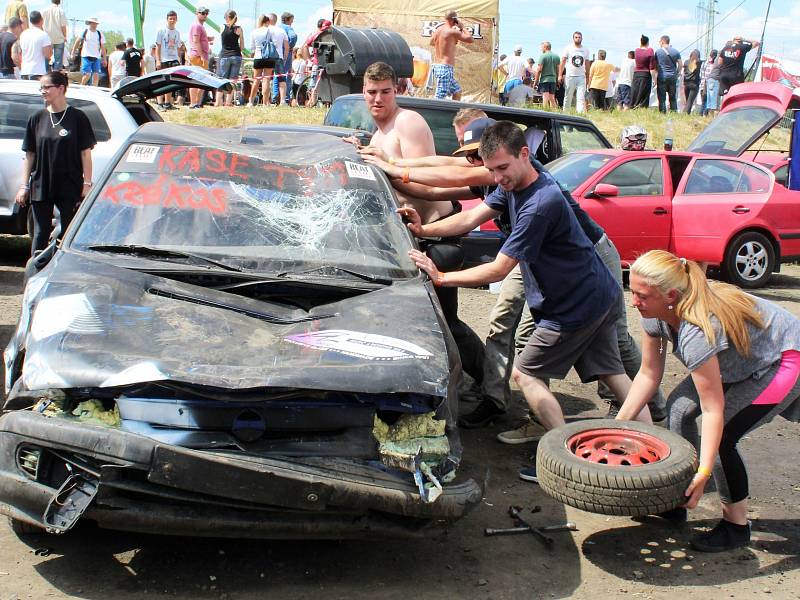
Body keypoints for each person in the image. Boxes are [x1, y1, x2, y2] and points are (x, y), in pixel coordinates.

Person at [361, 113, 666, 433]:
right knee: (606, 369)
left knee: (529, 371)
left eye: (493, 165)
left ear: (523, 154)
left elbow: (498, 267)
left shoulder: (536, 201)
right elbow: (468, 215)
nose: (485, 170)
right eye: (482, 164)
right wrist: (424, 226)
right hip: (578, 281)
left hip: (578, 287)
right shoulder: (510, 181)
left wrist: (441, 277)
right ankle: (648, 437)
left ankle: (558, 449)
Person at [617, 250, 800, 552]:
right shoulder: (655, 314)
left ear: (671, 295)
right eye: (632, 292)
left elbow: (713, 408)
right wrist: (619, 424)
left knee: (722, 438)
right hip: (735, 358)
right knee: (678, 409)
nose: (634, 302)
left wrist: (703, 471)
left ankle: (735, 525)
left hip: (782, 359)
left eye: (642, 296)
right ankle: (677, 498)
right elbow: (649, 374)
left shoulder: (696, 331)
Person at [354, 61, 486, 389]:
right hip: (414, 238)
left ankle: (488, 386)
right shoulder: (378, 133)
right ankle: (452, 383)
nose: (378, 99)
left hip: (437, 236)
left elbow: (429, 187)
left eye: (386, 91)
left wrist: (387, 168)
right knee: (423, 320)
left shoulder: (407, 122)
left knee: (445, 321)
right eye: (372, 92)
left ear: (397, 90)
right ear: (363, 93)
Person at [15, 70, 96, 255]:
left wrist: (86, 183)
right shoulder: (37, 118)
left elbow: (86, 153)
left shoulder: (78, 117)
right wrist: (24, 186)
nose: (42, 91)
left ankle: (64, 273)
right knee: (41, 233)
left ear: (60, 88)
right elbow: (30, 155)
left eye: (46, 87)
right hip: (41, 184)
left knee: (68, 233)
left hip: (69, 184)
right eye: (41, 88)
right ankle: (36, 271)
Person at [430, 9, 473, 100]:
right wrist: (463, 27)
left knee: (457, 91)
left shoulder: (438, 30)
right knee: (439, 97)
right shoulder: (452, 32)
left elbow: (431, 43)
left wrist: (448, 43)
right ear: (454, 20)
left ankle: (454, 114)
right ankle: (433, 114)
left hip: (438, 66)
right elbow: (470, 39)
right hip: (445, 68)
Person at [300, 18, 331, 107]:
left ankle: (323, 103)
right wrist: (309, 60)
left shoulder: (331, 34)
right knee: (313, 83)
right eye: (326, 28)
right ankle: (312, 103)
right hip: (317, 64)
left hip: (328, 63)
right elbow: (305, 46)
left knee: (322, 83)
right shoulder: (316, 35)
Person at [215, 9, 243, 107]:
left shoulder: (222, 27)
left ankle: (218, 102)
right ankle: (228, 103)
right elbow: (242, 47)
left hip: (224, 56)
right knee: (232, 81)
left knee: (221, 80)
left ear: (226, 17)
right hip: (236, 56)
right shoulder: (239, 29)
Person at [155, 11, 181, 108]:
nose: (172, 20)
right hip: (163, 59)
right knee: (161, 82)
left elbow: (178, 47)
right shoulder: (161, 31)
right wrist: (158, 60)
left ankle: (167, 103)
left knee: (170, 82)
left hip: (173, 59)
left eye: (174, 18)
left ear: (176, 20)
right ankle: (159, 103)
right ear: (167, 19)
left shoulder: (177, 33)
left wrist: (179, 60)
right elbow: (158, 46)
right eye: (170, 18)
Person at [559, 31, 590, 113]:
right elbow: (562, 62)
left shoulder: (585, 49)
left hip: (581, 77)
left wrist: (587, 76)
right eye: (576, 37)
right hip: (570, 76)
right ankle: (565, 114)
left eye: (579, 37)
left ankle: (579, 115)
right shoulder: (568, 48)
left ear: (582, 38)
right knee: (568, 96)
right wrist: (559, 75)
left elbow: (587, 64)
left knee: (580, 97)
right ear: (573, 38)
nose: (578, 39)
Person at [187, 6, 210, 108]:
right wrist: (202, 56)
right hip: (197, 56)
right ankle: (194, 103)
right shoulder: (197, 26)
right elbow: (196, 41)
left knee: (201, 80)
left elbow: (198, 40)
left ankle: (197, 103)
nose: (205, 15)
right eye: (203, 13)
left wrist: (207, 39)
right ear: (197, 13)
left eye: (206, 13)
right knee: (196, 80)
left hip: (200, 55)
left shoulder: (199, 26)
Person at [272, 12, 297, 105]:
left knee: (276, 75)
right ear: (287, 20)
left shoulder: (277, 27)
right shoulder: (288, 28)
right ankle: (285, 98)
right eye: (291, 20)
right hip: (286, 53)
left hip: (276, 54)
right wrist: (291, 46)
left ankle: (275, 97)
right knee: (286, 75)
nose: (292, 22)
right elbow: (293, 36)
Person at [18, 10, 50, 80]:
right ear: (41, 20)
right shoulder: (44, 35)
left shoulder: (23, 34)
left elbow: (20, 52)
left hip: (24, 70)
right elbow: (47, 55)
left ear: (30, 21)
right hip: (38, 71)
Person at [73, 17, 104, 86]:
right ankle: (81, 86)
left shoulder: (99, 33)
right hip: (86, 55)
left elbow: (102, 46)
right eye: (93, 23)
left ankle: (94, 90)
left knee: (96, 75)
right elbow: (77, 41)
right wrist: (73, 52)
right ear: (89, 23)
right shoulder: (85, 31)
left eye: (95, 23)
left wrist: (104, 58)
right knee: (87, 74)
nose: (94, 24)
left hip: (96, 56)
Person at [266, 13, 290, 105]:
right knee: (282, 79)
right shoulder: (281, 31)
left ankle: (266, 101)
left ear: (269, 20)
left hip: (267, 57)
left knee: (266, 79)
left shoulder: (266, 30)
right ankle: (283, 101)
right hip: (278, 57)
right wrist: (284, 58)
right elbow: (287, 47)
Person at [655, 35, 681, 113]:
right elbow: (680, 64)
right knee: (672, 96)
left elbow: (655, 65)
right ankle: (673, 112)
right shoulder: (676, 51)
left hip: (662, 76)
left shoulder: (658, 52)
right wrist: (676, 72)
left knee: (662, 97)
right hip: (672, 77)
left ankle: (662, 112)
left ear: (662, 41)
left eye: (660, 41)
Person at [632, 35, 656, 109]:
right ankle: (642, 108)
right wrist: (654, 79)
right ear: (648, 42)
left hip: (636, 74)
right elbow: (651, 67)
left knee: (636, 92)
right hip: (646, 75)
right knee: (645, 94)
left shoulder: (636, 50)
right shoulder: (650, 51)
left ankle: (634, 107)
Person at [41, 0, 65, 71]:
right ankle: (56, 76)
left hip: (47, 38)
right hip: (59, 38)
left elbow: (41, 23)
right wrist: (65, 36)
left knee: (46, 58)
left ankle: (45, 74)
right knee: (58, 61)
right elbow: (63, 26)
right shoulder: (61, 11)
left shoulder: (44, 10)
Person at [535, 41, 560, 110]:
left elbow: (539, 70)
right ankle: (554, 112)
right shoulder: (556, 56)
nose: (541, 49)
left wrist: (536, 81)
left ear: (545, 47)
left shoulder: (543, 56)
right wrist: (557, 79)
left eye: (541, 47)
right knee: (552, 97)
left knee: (545, 97)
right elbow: (558, 70)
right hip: (553, 80)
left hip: (545, 80)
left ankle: (545, 111)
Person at [683, 49, 702, 115]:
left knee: (687, 100)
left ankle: (685, 113)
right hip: (694, 84)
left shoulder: (686, 62)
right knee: (690, 101)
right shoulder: (699, 62)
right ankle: (685, 114)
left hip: (686, 84)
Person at [703, 49, 720, 117]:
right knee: (714, 101)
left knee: (708, 101)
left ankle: (707, 116)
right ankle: (713, 118)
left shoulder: (706, 62)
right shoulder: (719, 60)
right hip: (715, 79)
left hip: (708, 80)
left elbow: (703, 74)